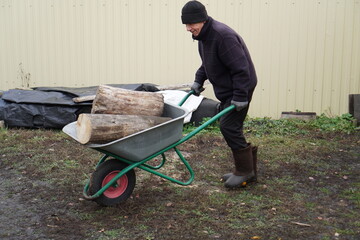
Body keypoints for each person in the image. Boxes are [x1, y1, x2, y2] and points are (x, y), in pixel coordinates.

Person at [181, 0, 258, 188]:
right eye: (186, 24)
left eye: (192, 24)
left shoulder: (223, 36)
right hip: (228, 90)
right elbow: (207, 63)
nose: (188, 28)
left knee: (229, 127)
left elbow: (241, 69)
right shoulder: (204, 37)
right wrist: (198, 80)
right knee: (232, 127)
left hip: (240, 88)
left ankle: (245, 171)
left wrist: (240, 96)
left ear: (203, 20)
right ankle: (247, 169)